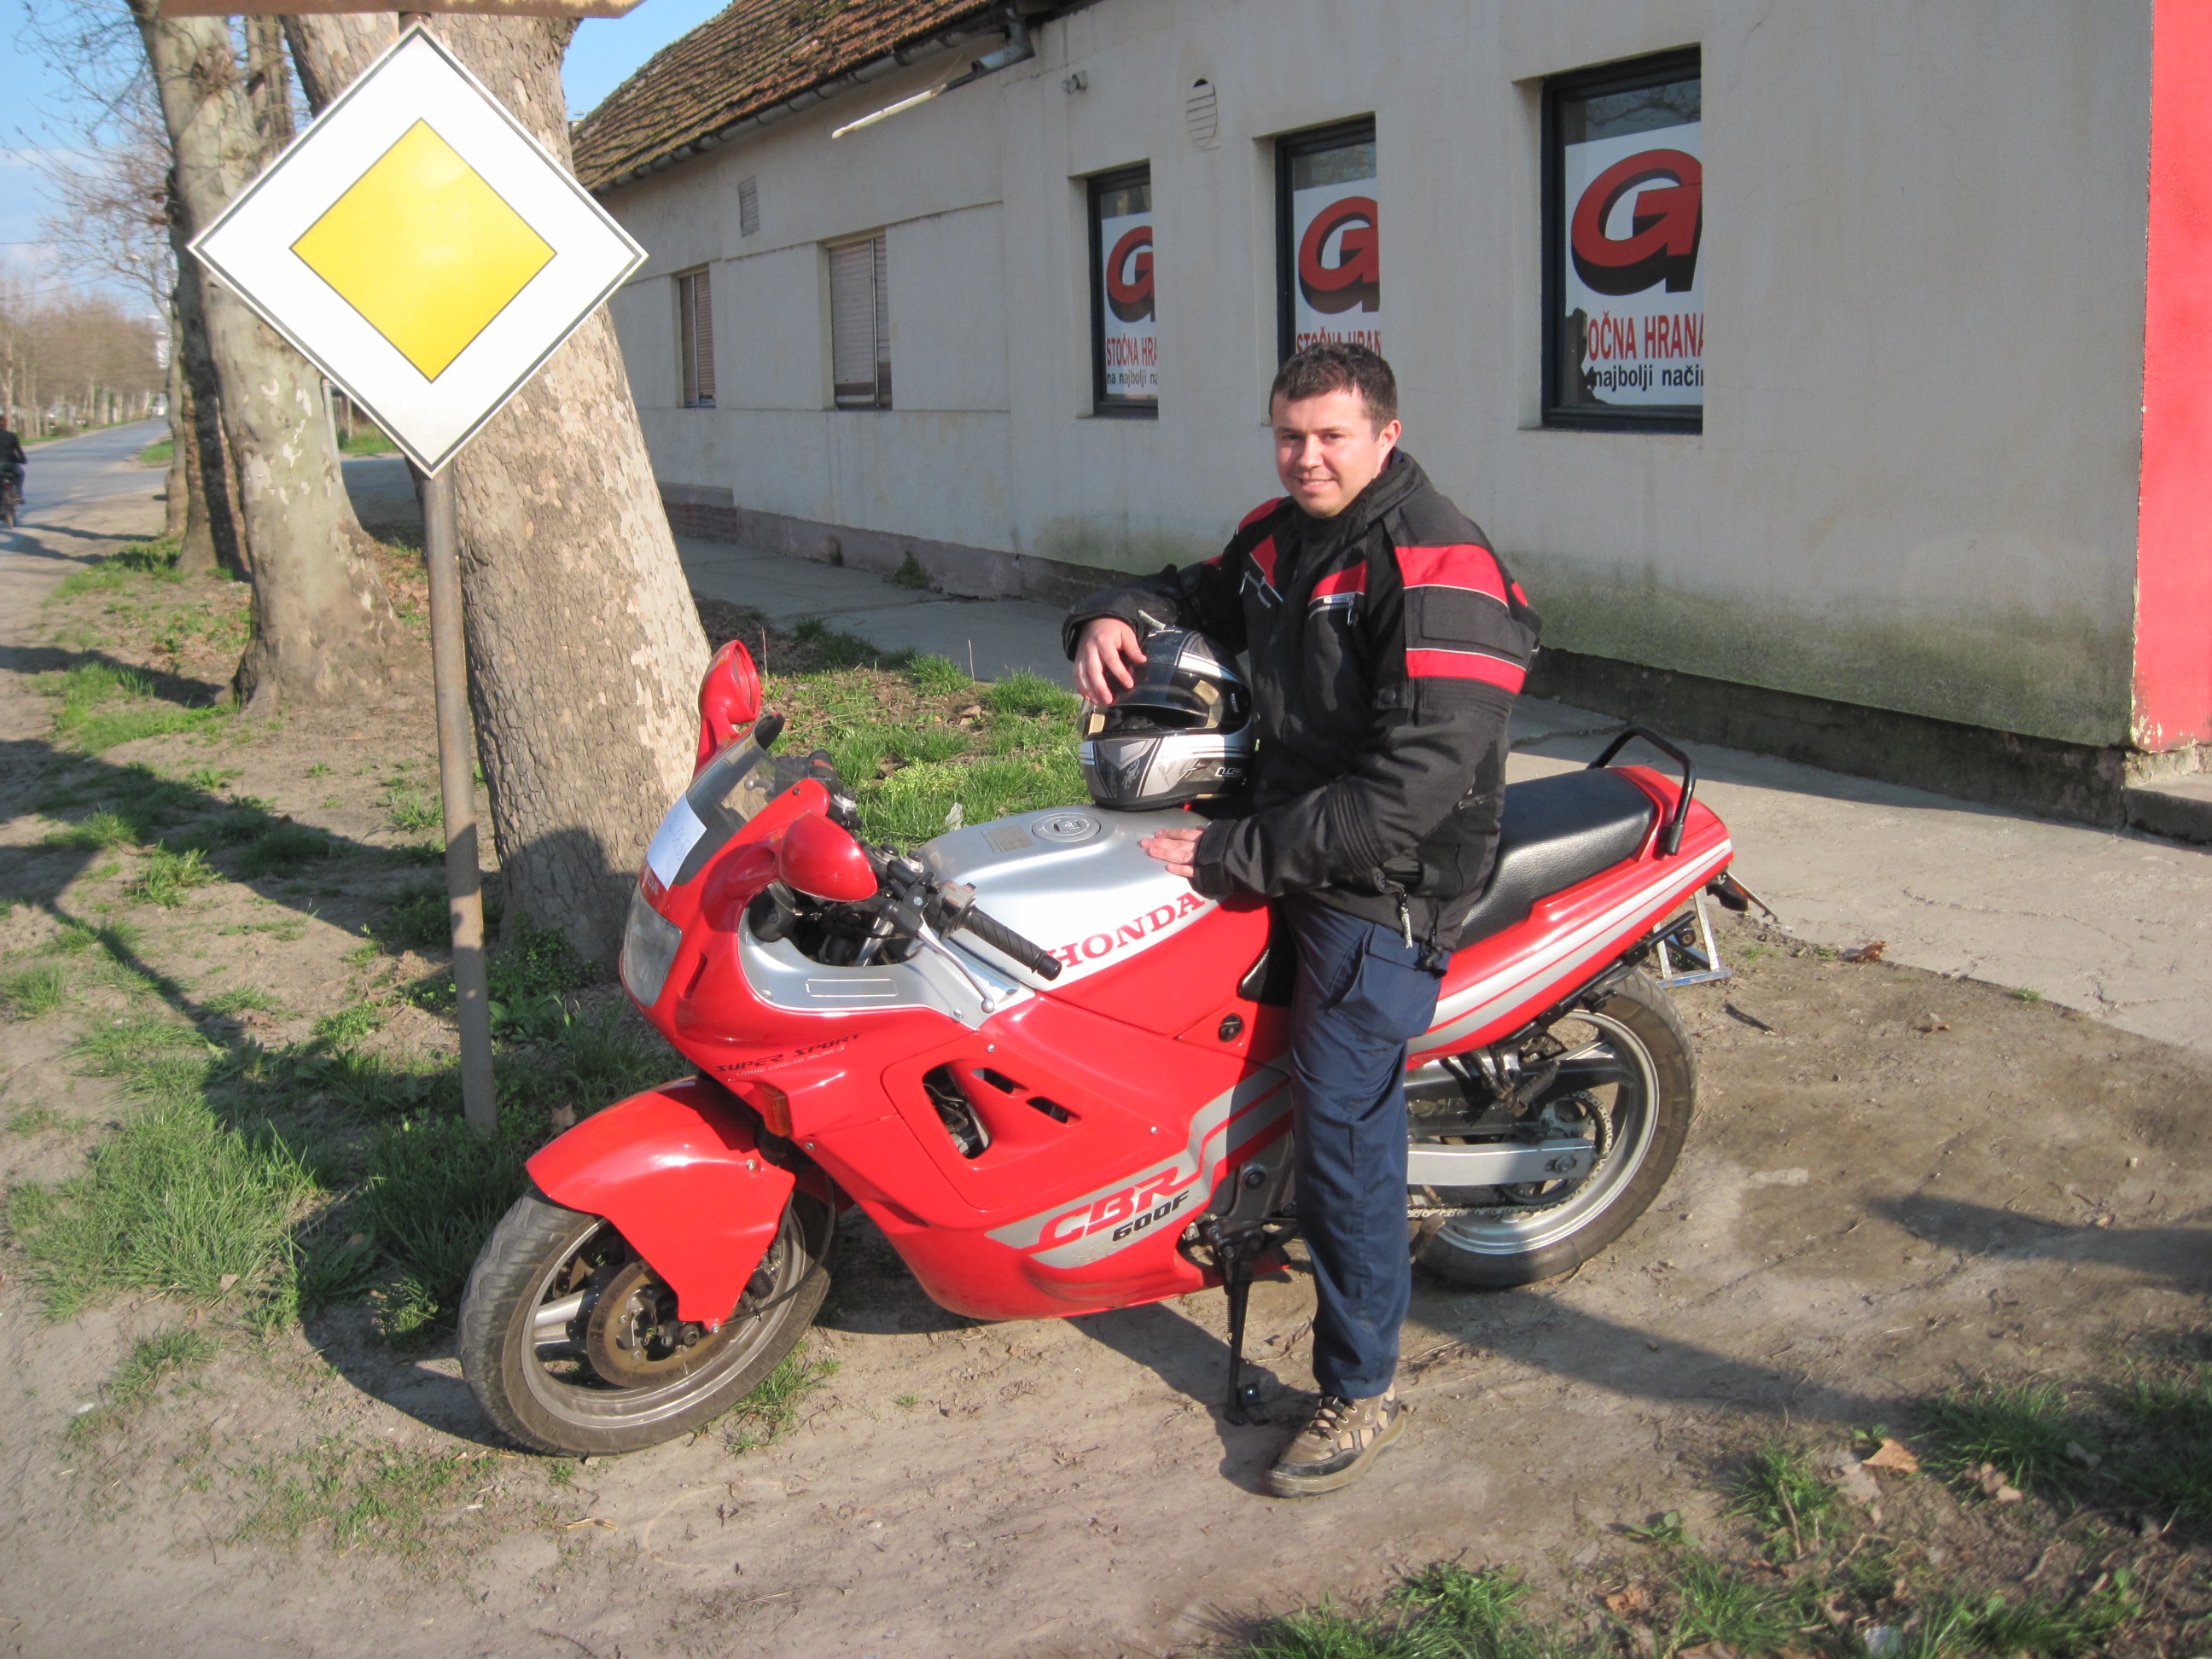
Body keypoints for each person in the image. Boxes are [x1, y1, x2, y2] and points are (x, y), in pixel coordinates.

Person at [1063, 341, 1540, 1497]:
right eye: (1290, 435)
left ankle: (1361, 1387)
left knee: (1340, 1121)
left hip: (1386, 878)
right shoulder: (1282, 537)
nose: (1307, 456)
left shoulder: (1439, 566)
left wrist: (1240, 856)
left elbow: (1406, 794)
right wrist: (1109, 615)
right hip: (1289, 828)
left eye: (1331, 436)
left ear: (1385, 434)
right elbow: (1198, 591)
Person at [0, 418, 26, 501]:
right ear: (6, 425)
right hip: (12, 463)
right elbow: (19, 450)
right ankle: (18, 494)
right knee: (20, 474)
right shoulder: (12, 436)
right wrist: (23, 460)